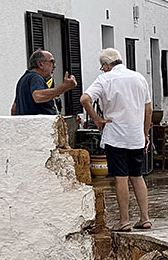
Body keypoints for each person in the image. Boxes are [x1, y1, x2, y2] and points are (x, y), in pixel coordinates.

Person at [81, 48, 153, 231]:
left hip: (116, 136)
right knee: (138, 176)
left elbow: (85, 99)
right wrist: (145, 133)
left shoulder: (104, 79)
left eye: (102, 67)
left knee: (121, 178)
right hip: (136, 135)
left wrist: (97, 119)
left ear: (106, 65)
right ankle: (144, 218)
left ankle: (124, 221)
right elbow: (148, 110)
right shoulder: (139, 78)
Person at [13, 49, 77, 115]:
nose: (54, 66)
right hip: (40, 123)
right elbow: (38, 96)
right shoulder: (36, 77)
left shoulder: (23, 80)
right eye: (52, 62)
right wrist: (65, 87)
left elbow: (14, 108)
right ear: (40, 64)